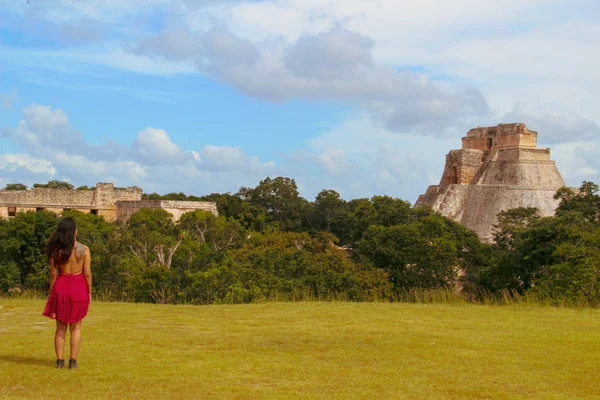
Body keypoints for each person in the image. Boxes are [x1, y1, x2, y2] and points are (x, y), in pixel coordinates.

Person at [42, 217, 92, 369]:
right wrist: (89, 291)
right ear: (74, 231)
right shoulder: (84, 249)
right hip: (78, 287)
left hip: (61, 286)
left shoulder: (56, 251)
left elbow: (53, 274)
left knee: (60, 327)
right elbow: (87, 273)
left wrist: (52, 293)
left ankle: (59, 361)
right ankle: (73, 361)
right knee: (76, 327)